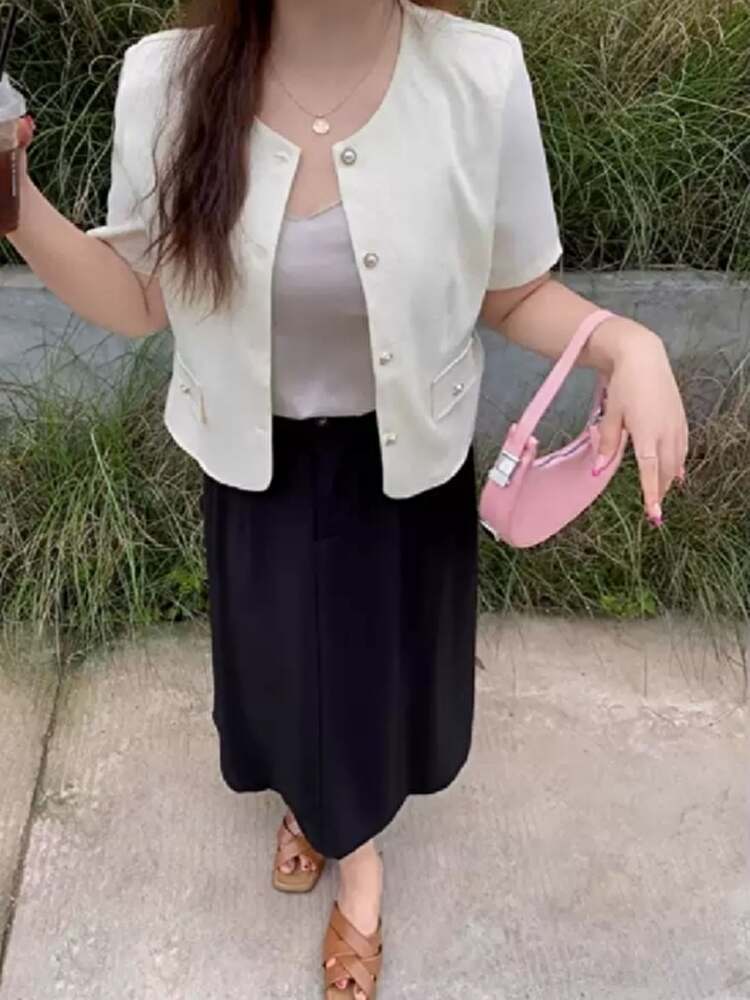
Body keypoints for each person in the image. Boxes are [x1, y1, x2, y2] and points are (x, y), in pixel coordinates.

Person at [7, 1, 688, 996]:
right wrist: (13, 199)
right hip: (256, 460)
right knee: (280, 675)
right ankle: (312, 806)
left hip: (403, 461)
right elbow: (140, 295)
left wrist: (627, 342)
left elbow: (509, 291)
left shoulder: (480, 74)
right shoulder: (168, 78)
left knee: (375, 686)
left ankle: (353, 857)